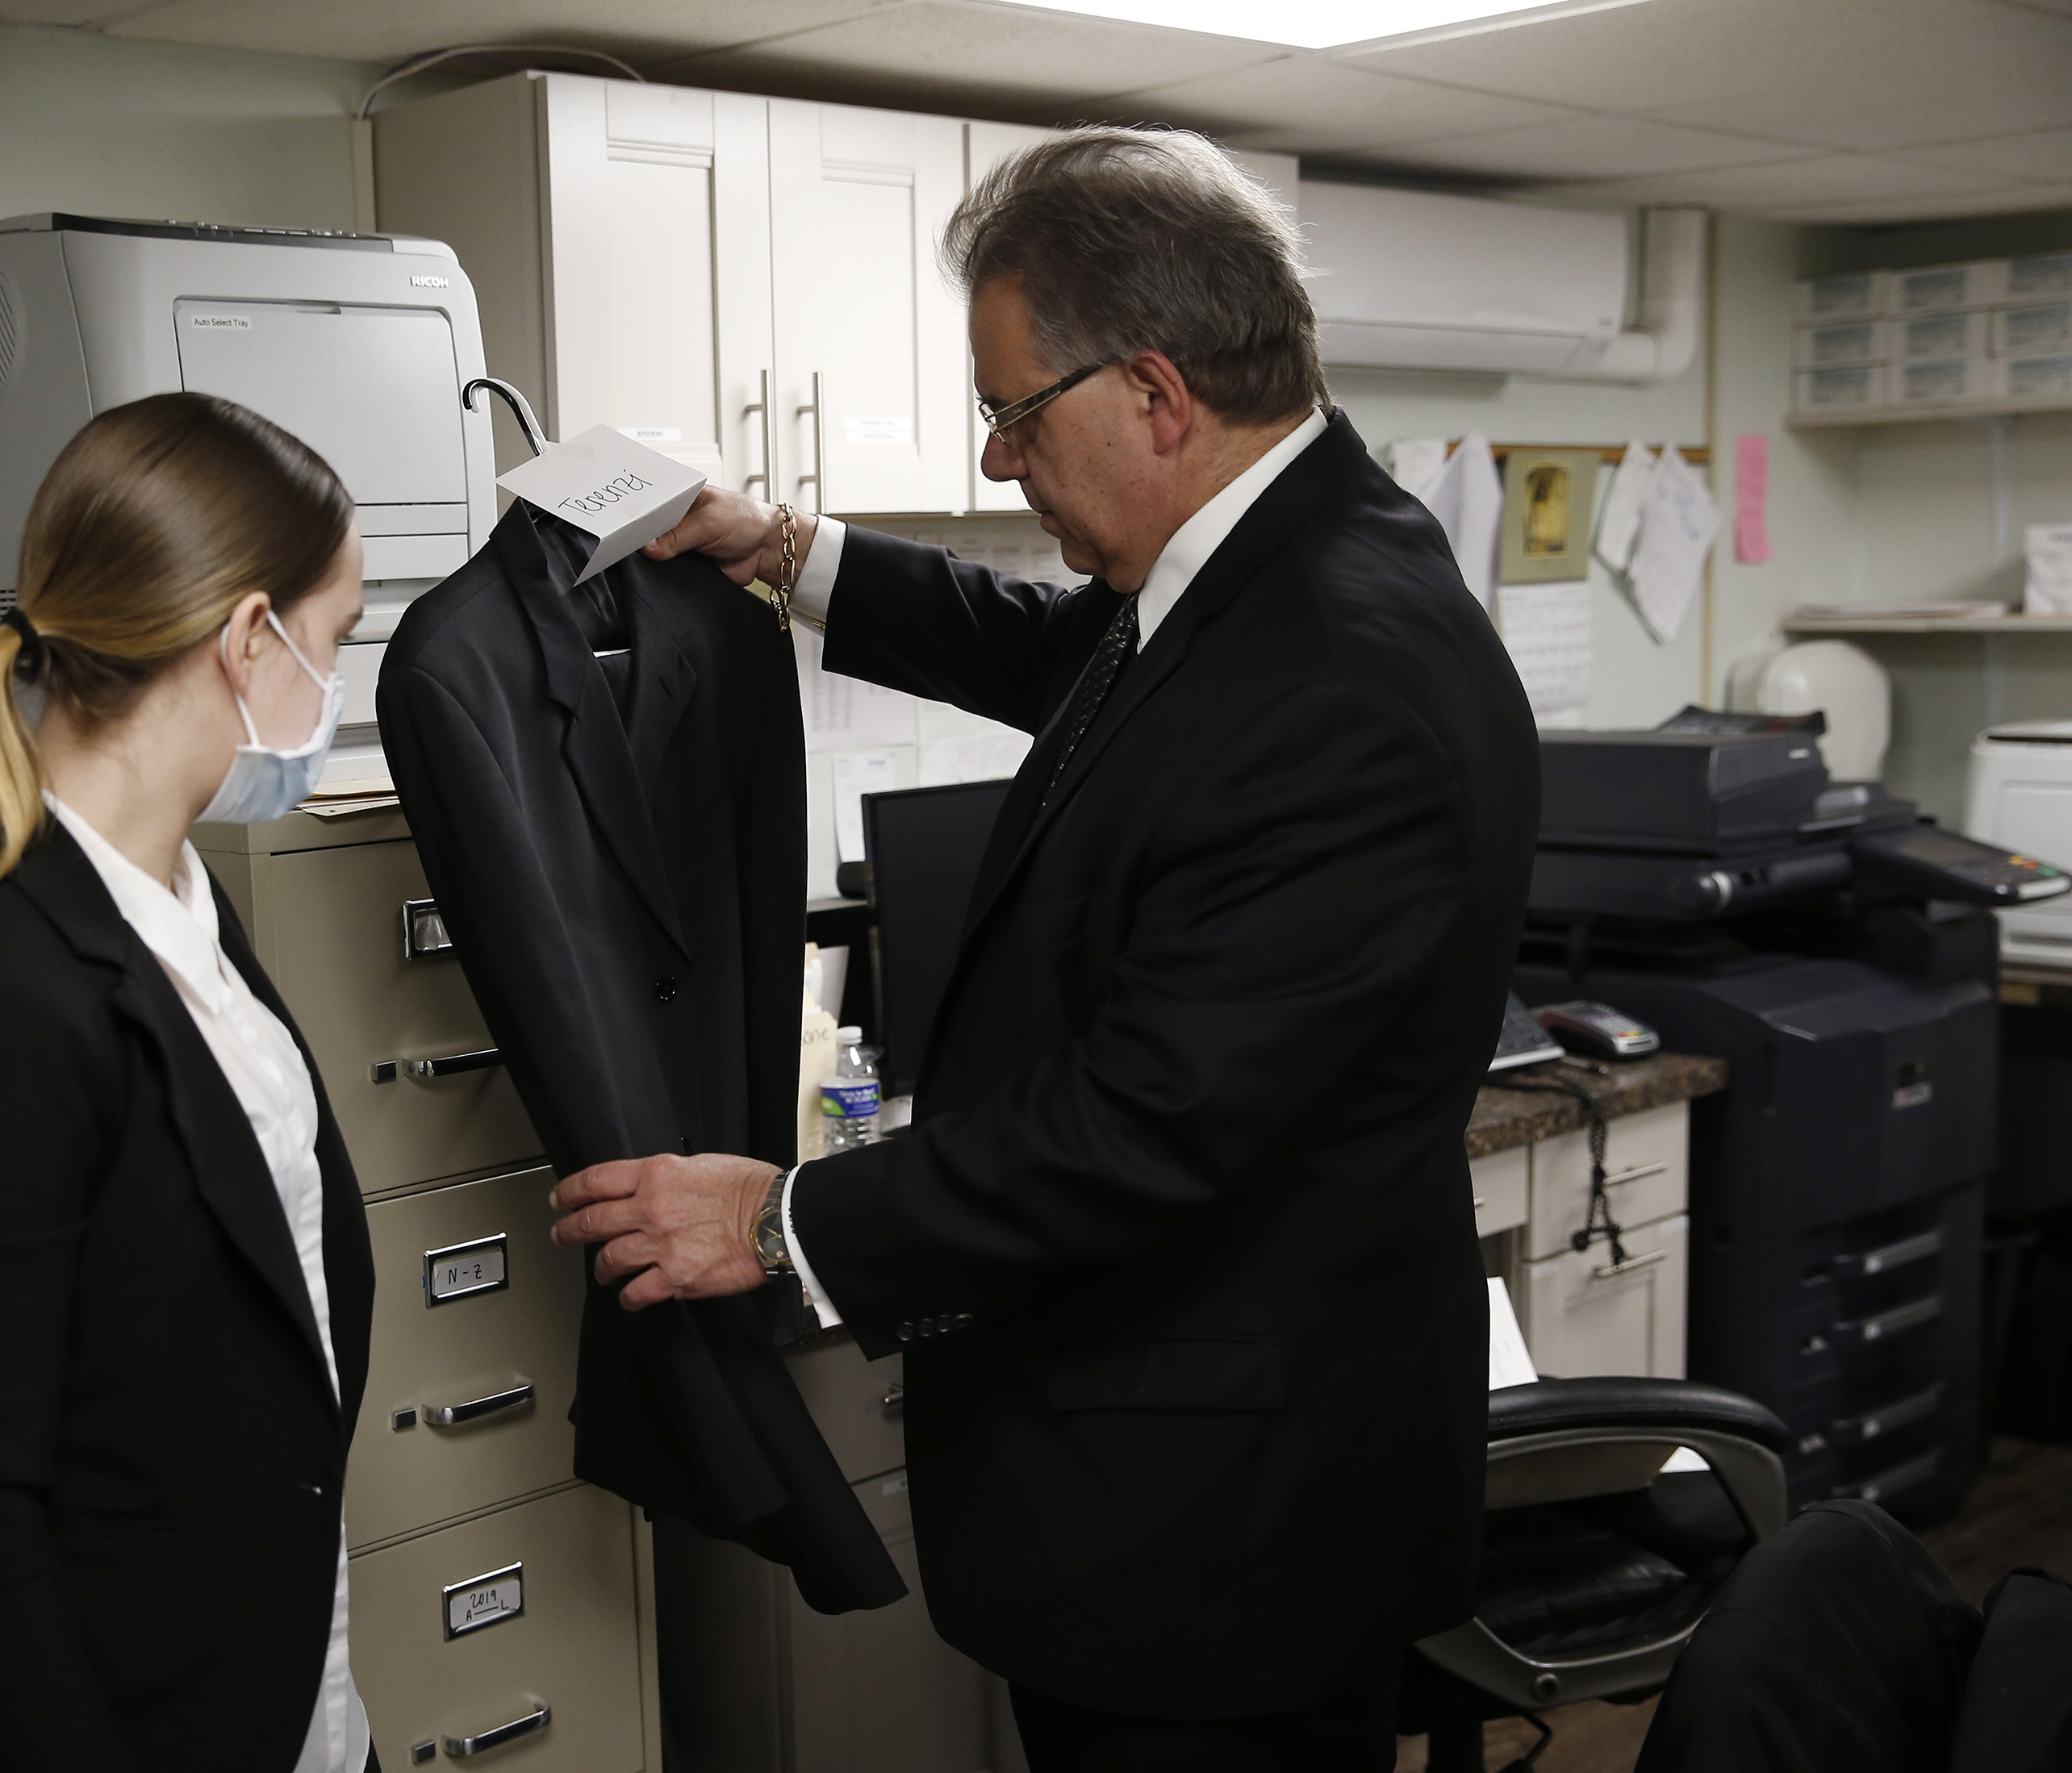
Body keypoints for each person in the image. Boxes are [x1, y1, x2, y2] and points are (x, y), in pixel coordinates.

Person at [550, 127, 1540, 1771]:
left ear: (1155, 392)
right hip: (1195, 1496)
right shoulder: (1280, 569)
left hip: (1229, 1536)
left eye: (1014, 409)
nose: (1002, 460)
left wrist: (784, 1213)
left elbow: (1149, 1121)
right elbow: (1060, 653)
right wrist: (782, 549)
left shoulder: (1343, 680)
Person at [0, 392, 379, 1773]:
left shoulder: (178, 901)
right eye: (337, 641)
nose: (339, 685)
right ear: (250, 638)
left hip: (291, 1693)